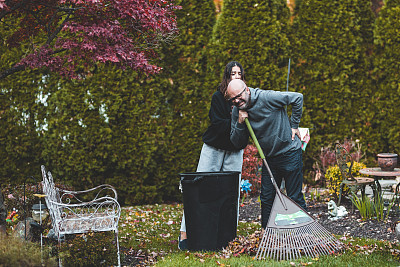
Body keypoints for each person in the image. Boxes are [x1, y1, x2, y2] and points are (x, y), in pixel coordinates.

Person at [178, 61, 248, 250]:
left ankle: (227, 236)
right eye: (233, 73)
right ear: (227, 76)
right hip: (214, 148)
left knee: (231, 194)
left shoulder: (246, 100)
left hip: (234, 150)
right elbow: (217, 123)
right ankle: (186, 233)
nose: (236, 76)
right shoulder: (218, 98)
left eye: (239, 74)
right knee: (199, 189)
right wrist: (236, 120)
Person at [224, 79, 307, 229]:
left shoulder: (267, 97)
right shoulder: (237, 111)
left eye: (239, 95)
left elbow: (297, 97)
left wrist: (294, 125)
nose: (237, 100)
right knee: (267, 198)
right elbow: (237, 143)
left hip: (289, 153)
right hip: (269, 159)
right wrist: (240, 123)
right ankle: (267, 235)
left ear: (247, 90)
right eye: (233, 98)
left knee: (294, 197)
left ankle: (304, 234)